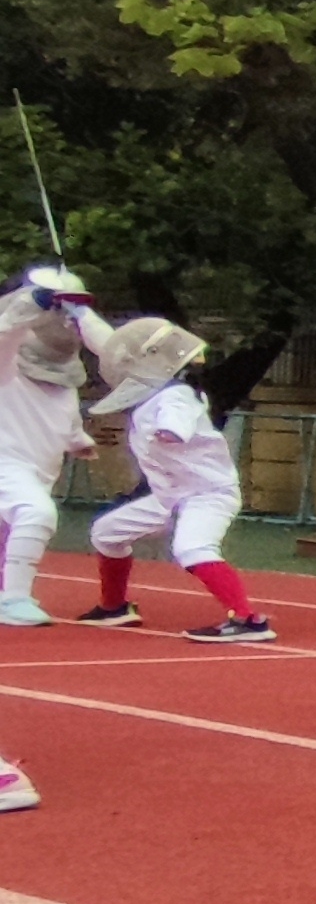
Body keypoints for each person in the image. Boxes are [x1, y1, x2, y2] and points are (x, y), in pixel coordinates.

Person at [75, 320, 271, 642]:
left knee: (193, 548)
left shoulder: (176, 395)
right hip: (170, 496)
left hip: (207, 494)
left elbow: (176, 426)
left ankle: (249, 620)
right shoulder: (158, 396)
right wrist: (79, 313)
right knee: (107, 533)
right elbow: (112, 346)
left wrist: (167, 433)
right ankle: (114, 607)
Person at [1, 263, 114, 627]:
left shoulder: (64, 378)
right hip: (6, 460)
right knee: (37, 513)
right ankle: (13, 598)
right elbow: (5, 338)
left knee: (7, 533)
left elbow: (64, 414)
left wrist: (76, 439)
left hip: (40, 464)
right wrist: (28, 307)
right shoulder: (8, 364)